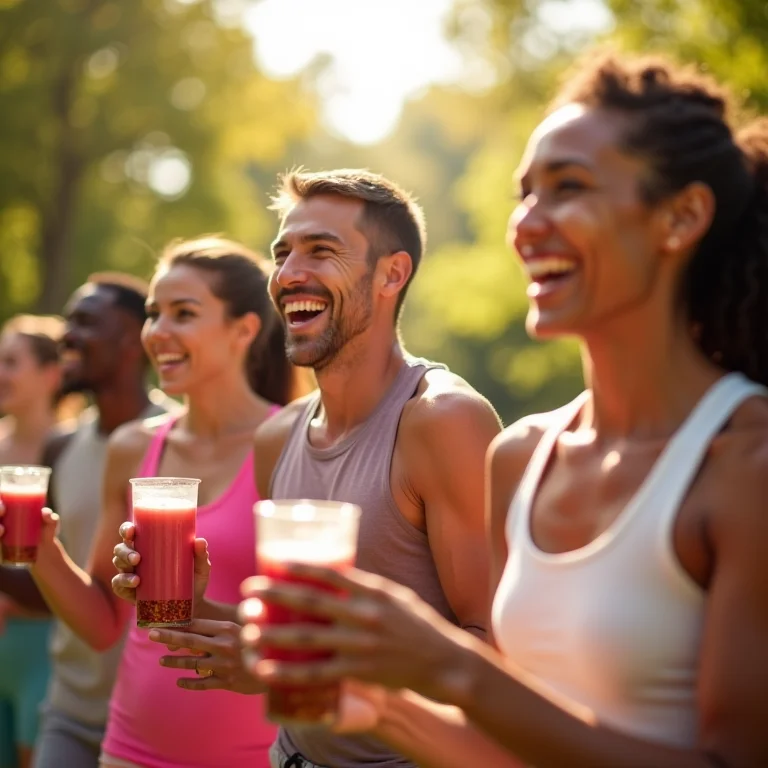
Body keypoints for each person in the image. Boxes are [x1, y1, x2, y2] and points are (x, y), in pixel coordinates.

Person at [239, 53, 768, 768]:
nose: (527, 223)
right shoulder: (521, 456)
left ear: (681, 216)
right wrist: (376, 697)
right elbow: (509, 746)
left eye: (569, 188)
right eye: (526, 195)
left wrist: (446, 662)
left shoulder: (745, 464)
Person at [113, 170, 502, 768]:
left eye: (321, 250)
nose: (290, 272)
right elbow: (301, 631)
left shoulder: (442, 421)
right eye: (283, 252)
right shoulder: (277, 438)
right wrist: (197, 608)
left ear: (391, 275)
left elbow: (490, 654)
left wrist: (288, 670)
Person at [4, 237, 304, 768]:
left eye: (183, 314)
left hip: (252, 755)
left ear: (244, 329)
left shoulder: (290, 440)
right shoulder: (134, 448)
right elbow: (102, 624)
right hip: (130, 749)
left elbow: (306, 628)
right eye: (152, 314)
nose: (158, 332)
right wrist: (44, 551)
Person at [0, 275, 173, 768]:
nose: (66, 335)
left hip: (153, 712)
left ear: (134, 338)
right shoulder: (59, 447)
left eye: (85, 322)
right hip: (69, 706)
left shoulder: (178, 442)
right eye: (68, 320)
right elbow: (53, 583)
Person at [0, 315, 64, 768]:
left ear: (51, 375)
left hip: (44, 649)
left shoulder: (73, 450)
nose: (0, 372)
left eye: (11, 361)